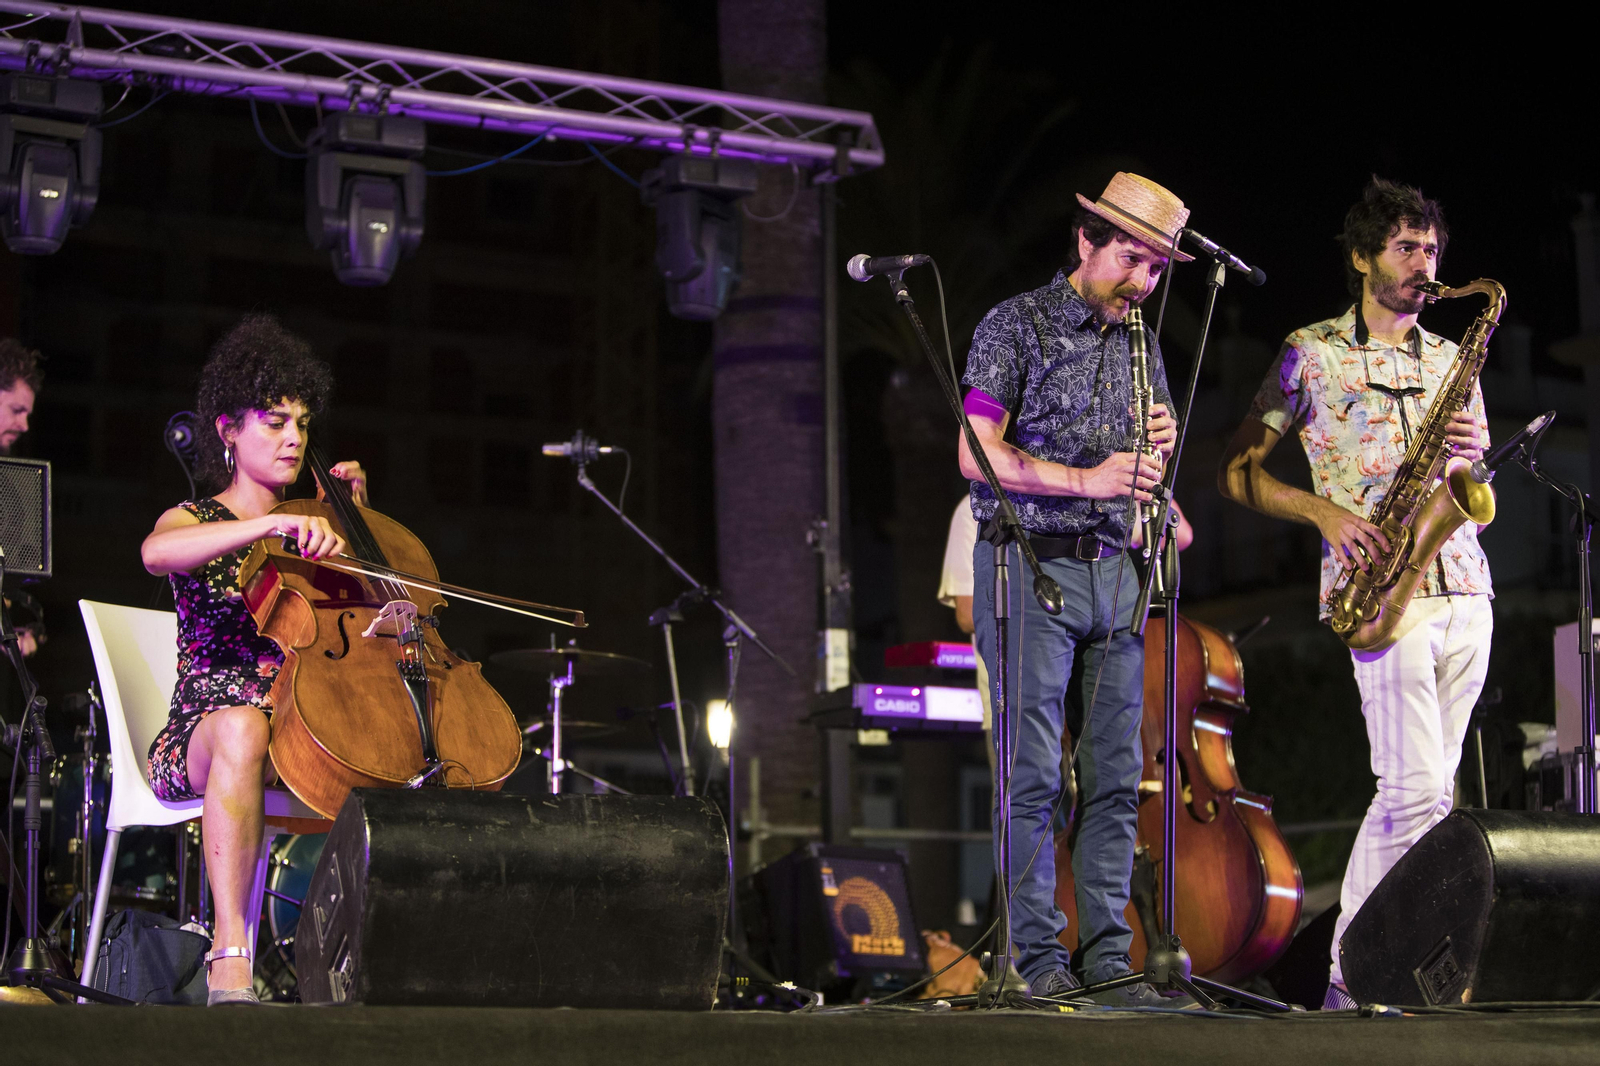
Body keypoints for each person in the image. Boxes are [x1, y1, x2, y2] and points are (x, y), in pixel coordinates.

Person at [1217, 177, 1491, 1009]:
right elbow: (1238, 473)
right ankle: (1346, 974)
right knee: (1408, 791)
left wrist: (1476, 459)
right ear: (1362, 257)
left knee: (1434, 801)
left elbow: (1480, 494)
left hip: (1465, 583)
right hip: (1380, 595)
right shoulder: (1311, 351)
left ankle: (1387, 971)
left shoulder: (1453, 358)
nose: (1424, 263)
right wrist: (1322, 512)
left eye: (1432, 249)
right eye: (1406, 247)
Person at [957, 172, 1187, 1004]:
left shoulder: (1141, 346)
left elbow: (1142, 469)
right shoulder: (1013, 324)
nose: (1144, 282)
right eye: (1132, 259)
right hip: (1030, 565)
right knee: (1033, 776)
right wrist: (1089, 481)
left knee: (1117, 778)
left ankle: (1109, 964)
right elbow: (974, 451)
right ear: (1086, 240)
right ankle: (1037, 963)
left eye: (1158, 268)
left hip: (1117, 573)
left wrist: (1156, 459)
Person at [140, 315, 368, 1005]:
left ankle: (375, 962)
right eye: (273, 421)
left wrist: (360, 524)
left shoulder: (315, 530)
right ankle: (230, 954)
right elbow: (155, 553)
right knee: (241, 724)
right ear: (228, 431)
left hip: (300, 731)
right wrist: (267, 525)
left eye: (301, 421)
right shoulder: (197, 520)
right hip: (205, 737)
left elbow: (356, 633)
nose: (294, 437)